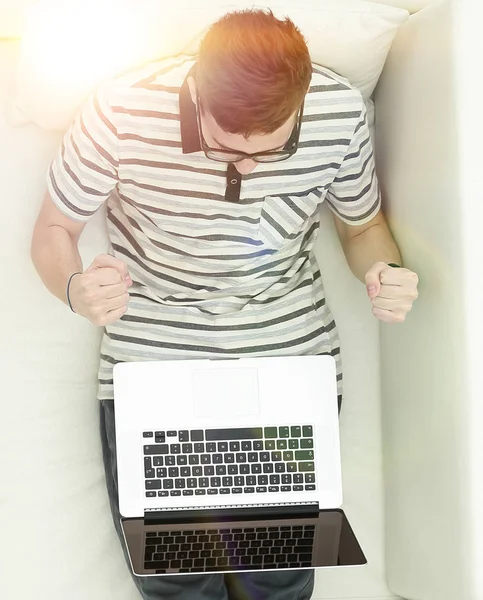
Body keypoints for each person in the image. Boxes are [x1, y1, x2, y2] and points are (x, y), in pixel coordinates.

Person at [30, 8, 419, 600]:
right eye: (223, 148)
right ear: (196, 93)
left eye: (271, 150)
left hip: (285, 364)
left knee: (278, 585)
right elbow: (54, 230)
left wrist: (385, 274)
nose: (245, 167)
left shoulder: (339, 113)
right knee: (180, 587)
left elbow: (361, 228)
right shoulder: (122, 110)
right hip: (157, 364)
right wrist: (74, 288)